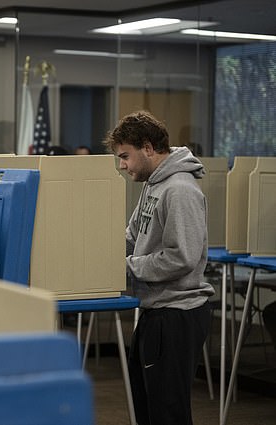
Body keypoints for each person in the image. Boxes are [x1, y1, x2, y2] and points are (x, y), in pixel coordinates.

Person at [103, 110, 214, 425]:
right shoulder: (152, 183)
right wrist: (99, 261)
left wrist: (129, 267)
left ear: (148, 148)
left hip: (177, 313)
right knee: (148, 409)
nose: (122, 165)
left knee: (168, 413)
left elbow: (183, 256)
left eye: (125, 156)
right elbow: (132, 237)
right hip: (156, 310)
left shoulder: (179, 189)